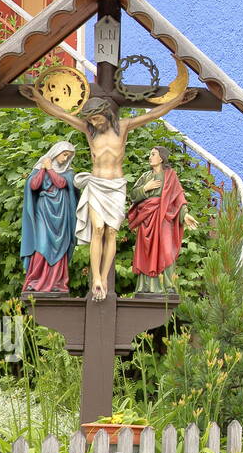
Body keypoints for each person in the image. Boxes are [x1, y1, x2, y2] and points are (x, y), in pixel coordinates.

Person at [19, 86, 195, 299]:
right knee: (98, 229)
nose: (94, 123)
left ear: (105, 113)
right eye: (91, 120)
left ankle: (103, 277)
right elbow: (60, 114)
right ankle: (97, 281)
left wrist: (178, 100)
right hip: (96, 184)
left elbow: (154, 114)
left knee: (112, 232)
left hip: (116, 187)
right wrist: (37, 97)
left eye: (96, 119)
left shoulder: (123, 127)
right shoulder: (89, 130)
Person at [126, 146, 197, 295]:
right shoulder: (146, 176)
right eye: (150, 154)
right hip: (147, 218)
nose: (149, 157)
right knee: (146, 251)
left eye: (153, 154)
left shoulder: (171, 176)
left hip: (165, 218)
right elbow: (133, 195)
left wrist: (185, 214)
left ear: (161, 158)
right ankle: (146, 287)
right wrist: (145, 188)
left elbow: (178, 198)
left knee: (166, 249)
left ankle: (168, 285)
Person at [20, 140, 78, 295]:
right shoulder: (40, 168)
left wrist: (50, 169)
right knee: (41, 245)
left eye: (69, 156)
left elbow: (60, 183)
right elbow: (33, 186)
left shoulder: (68, 172)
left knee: (61, 245)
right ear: (56, 152)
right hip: (44, 210)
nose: (66, 159)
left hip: (62, 211)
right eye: (64, 154)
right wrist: (42, 170)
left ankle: (57, 283)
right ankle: (35, 280)